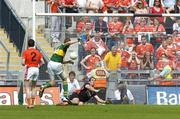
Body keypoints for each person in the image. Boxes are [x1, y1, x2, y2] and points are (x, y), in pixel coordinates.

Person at [22, 39, 44, 108]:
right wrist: (38, 66)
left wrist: (25, 64)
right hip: (36, 69)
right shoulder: (38, 52)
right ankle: (33, 103)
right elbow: (42, 62)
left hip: (29, 69)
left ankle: (29, 104)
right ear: (34, 44)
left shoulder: (26, 52)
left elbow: (22, 63)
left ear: (28, 44)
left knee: (27, 87)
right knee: (34, 87)